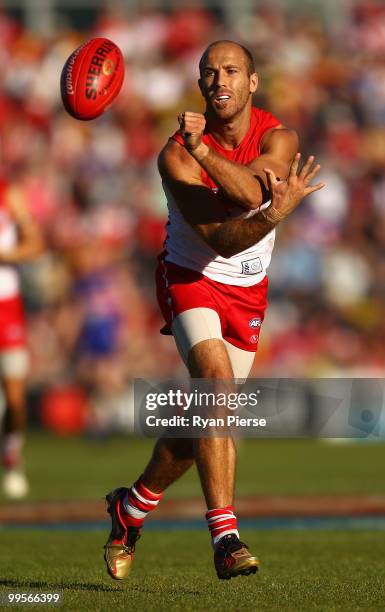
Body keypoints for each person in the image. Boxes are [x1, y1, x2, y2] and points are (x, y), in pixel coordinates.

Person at [104, 40, 324, 580]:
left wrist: (227, 169)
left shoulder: (278, 135)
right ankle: (226, 538)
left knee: (203, 419)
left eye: (231, 70)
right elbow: (225, 239)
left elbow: (252, 187)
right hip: (190, 277)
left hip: (248, 292)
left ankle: (130, 508)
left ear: (252, 82)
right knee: (217, 389)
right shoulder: (176, 154)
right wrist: (273, 209)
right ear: (200, 85)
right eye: (209, 72)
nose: (219, 79)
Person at [0, 179, 44, 498]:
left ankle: (12, 453)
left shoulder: (9, 192)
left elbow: (35, 244)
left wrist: (6, 253)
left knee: (15, 399)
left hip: (7, 308)